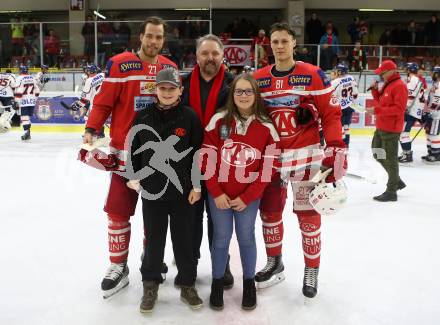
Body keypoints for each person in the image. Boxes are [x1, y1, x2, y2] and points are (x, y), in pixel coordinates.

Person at [81, 16, 177, 299]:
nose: (154, 41)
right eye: (150, 36)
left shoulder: (168, 68)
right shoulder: (120, 63)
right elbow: (104, 101)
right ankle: (117, 266)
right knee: (118, 212)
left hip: (158, 158)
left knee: (154, 215)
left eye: (159, 37)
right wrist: (91, 128)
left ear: (163, 40)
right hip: (124, 156)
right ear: (141, 36)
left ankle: (150, 259)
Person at [253, 22, 346, 298]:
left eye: (284, 41)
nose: (279, 46)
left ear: (294, 43)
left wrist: (335, 148)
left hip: (306, 159)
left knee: (308, 217)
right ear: (269, 44)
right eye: (275, 41)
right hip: (271, 159)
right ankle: (274, 261)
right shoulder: (259, 78)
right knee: (269, 215)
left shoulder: (313, 74)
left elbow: (331, 115)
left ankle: (312, 269)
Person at [201, 73, 279, 311]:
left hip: (248, 197)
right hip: (220, 196)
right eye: (239, 91)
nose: (243, 96)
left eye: (248, 91)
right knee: (221, 238)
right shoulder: (218, 121)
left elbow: (268, 169)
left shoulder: (266, 126)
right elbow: (206, 160)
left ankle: (248, 283)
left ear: (255, 95)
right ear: (232, 94)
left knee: (246, 237)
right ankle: (216, 282)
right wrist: (216, 192)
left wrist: (247, 197)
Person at [128, 68, 204, 313]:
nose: (167, 92)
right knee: (154, 240)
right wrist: (133, 176)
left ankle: (187, 283)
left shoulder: (190, 117)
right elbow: (134, 149)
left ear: (180, 90)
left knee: (184, 239)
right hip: (152, 191)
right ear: (155, 90)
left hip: (183, 192)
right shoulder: (142, 116)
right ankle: (150, 283)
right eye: (163, 88)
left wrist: (196, 185)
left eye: (172, 88)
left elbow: (197, 154)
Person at [180, 34, 235, 289]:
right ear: (197, 55)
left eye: (215, 53)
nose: (210, 58)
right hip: (187, 164)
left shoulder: (234, 85)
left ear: (222, 56)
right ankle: (187, 266)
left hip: (221, 164)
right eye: (205, 53)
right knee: (189, 220)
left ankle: (221, 266)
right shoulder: (182, 83)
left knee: (218, 220)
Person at [366, 60, 407, 202]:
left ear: (391, 71)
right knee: (377, 153)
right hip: (381, 126)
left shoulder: (399, 86)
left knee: (391, 159)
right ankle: (396, 180)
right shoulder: (388, 85)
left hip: (391, 129)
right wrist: (374, 91)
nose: (381, 76)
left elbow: (399, 110)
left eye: (382, 73)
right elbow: (381, 102)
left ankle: (391, 191)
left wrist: (376, 110)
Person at [398, 62, 426, 164]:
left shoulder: (412, 80)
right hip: (415, 110)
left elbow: (410, 97)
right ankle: (406, 154)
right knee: (403, 133)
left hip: (411, 111)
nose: (405, 70)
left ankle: (407, 155)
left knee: (403, 133)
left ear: (409, 70)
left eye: (406, 68)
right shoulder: (416, 79)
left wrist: (405, 108)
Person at [72, 64, 105, 137]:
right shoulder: (103, 75)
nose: (87, 72)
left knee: (90, 117)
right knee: (101, 118)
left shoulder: (89, 81)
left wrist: (77, 105)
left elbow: (84, 99)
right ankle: (101, 134)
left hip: (96, 103)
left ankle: (93, 133)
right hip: (106, 101)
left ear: (90, 71)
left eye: (88, 71)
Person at [331, 63, 359, 147]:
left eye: (336, 71)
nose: (334, 72)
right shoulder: (351, 78)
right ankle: (346, 144)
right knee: (346, 125)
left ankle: (341, 144)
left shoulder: (335, 82)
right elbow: (355, 93)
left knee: (340, 126)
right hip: (350, 106)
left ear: (340, 72)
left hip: (340, 108)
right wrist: (354, 102)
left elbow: (331, 96)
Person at [14, 65, 40, 141]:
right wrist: (34, 99)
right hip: (31, 101)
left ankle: (27, 133)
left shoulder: (19, 78)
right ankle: (27, 133)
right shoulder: (32, 77)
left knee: (24, 118)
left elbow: (19, 91)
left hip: (23, 101)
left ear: (21, 70)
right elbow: (37, 90)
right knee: (27, 118)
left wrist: (16, 101)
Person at [422, 66, 440, 164]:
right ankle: (431, 152)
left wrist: (431, 112)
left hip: (436, 115)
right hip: (432, 113)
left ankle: (436, 155)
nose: (431, 74)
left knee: (434, 134)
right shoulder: (435, 84)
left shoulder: (439, 85)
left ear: (437, 74)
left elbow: (437, 102)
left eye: (433, 72)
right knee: (429, 133)